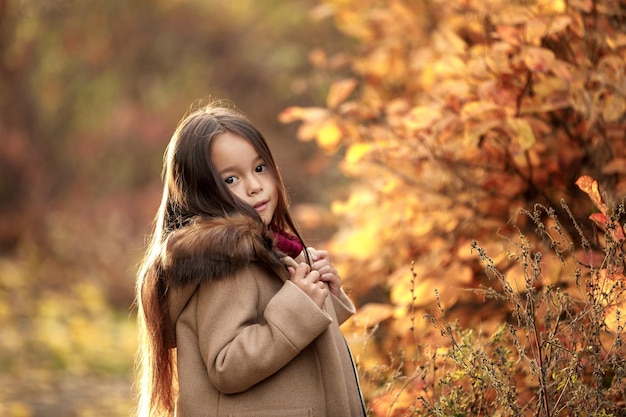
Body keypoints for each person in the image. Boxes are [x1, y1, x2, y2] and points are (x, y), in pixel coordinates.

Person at [135, 102, 366, 417]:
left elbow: (287, 343)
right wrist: (300, 304)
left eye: (260, 168)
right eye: (231, 180)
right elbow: (228, 364)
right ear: (201, 194)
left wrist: (323, 295)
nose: (255, 186)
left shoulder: (266, 249)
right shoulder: (225, 262)